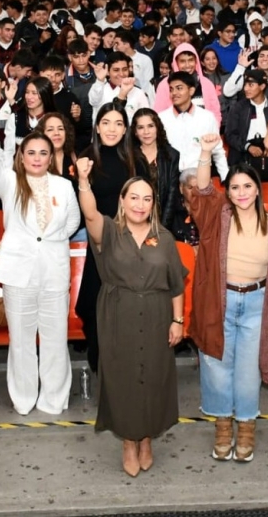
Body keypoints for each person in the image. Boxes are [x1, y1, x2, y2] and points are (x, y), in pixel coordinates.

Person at [77, 159, 186, 477]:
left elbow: (176, 283)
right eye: (134, 197)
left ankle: (147, 438)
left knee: (153, 377)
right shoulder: (109, 232)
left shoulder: (163, 237)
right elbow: (90, 213)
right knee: (122, 378)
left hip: (156, 313)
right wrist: (84, 182)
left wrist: (177, 321)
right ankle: (128, 441)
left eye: (147, 198)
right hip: (117, 313)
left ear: (154, 204)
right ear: (122, 201)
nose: (140, 204)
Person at [189, 133, 268, 462]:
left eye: (247, 186)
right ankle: (222, 425)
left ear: (258, 188)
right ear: (227, 192)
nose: (241, 193)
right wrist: (206, 152)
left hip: (258, 303)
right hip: (221, 301)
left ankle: (246, 426)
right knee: (216, 365)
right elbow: (202, 191)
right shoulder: (218, 217)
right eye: (234, 187)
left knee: (248, 370)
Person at [0, 126, 80, 415]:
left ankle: (54, 399)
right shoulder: (11, 182)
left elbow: (73, 220)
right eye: (31, 153)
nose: (37, 158)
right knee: (22, 341)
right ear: (22, 157)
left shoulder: (63, 185)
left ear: (51, 158)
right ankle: (23, 398)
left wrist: (54, 236)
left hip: (54, 271)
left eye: (43, 154)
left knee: (55, 338)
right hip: (18, 274)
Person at [75, 103, 145, 373]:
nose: (111, 129)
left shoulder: (135, 159)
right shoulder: (86, 159)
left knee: (128, 309)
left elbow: (145, 204)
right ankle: (101, 366)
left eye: (118, 123)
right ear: (97, 126)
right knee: (95, 306)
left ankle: (127, 368)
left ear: (125, 128)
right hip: (100, 242)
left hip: (130, 244)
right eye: (106, 122)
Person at [127, 108, 179, 229]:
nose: (146, 132)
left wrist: (161, 229)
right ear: (135, 131)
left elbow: (171, 198)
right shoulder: (128, 156)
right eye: (140, 127)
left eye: (150, 126)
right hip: (132, 220)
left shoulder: (171, 156)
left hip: (162, 221)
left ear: (157, 128)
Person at [4, 77, 57, 165]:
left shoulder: (53, 119)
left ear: (44, 94)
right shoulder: (16, 118)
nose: (29, 97)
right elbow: (8, 151)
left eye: (34, 93)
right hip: (19, 170)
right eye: (27, 92)